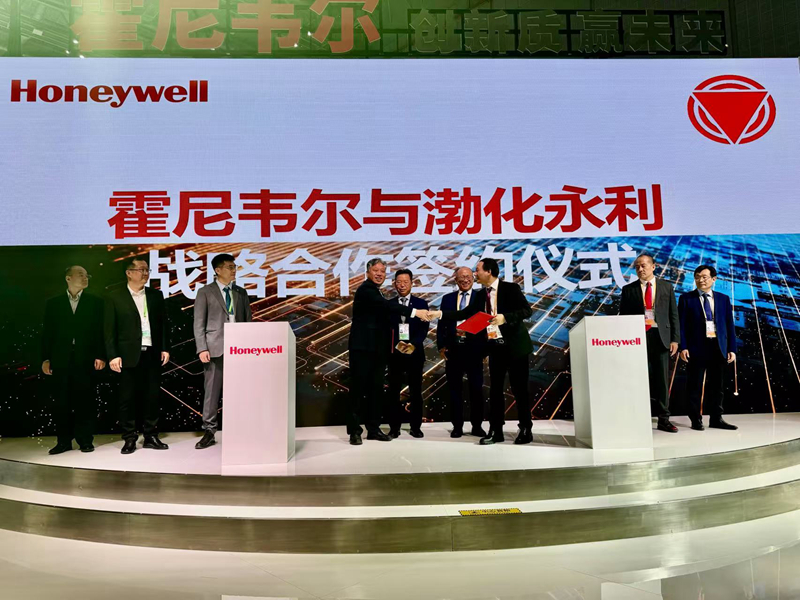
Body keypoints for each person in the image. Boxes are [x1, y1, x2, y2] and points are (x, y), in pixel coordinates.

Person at [427, 258, 533, 445]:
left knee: (520, 390)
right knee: (496, 391)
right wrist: (440, 314)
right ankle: (496, 430)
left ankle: (526, 428)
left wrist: (505, 318)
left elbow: (526, 311)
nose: (475, 274)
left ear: (489, 271)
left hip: (516, 348)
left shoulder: (510, 289)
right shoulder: (481, 295)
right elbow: (465, 313)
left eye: (477, 270)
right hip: (495, 348)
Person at [347, 258, 430, 445]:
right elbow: (386, 307)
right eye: (375, 270)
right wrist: (414, 312)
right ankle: (354, 431)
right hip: (362, 350)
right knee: (358, 391)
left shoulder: (378, 291)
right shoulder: (366, 290)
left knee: (375, 391)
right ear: (368, 272)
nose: (379, 274)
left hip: (378, 351)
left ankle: (373, 429)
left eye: (382, 271)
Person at [105, 258, 170, 454]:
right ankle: (129, 438)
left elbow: (163, 324)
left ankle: (151, 436)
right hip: (127, 355)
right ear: (129, 273)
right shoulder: (114, 296)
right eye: (141, 270)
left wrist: (165, 348)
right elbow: (108, 329)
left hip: (152, 352)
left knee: (152, 397)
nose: (145, 273)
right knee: (127, 398)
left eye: (147, 270)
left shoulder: (155, 295)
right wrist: (112, 355)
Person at [41, 265, 106, 454]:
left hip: (86, 357)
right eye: (81, 275)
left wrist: (101, 355)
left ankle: (85, 440)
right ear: (68, 278)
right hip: (61, 358)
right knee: (62, 401)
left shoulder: (95, 302)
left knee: (85, 400)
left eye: (87, 275)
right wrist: (46, 358)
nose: (85, 278)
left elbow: (101, 331)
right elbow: (47, 333)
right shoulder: (54, 303)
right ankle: (63, 441)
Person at [193, 253, 253, 449]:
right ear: (218, 270)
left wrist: (250, 346)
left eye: (234, 267)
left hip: (239, 349)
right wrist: (202, 348)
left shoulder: (241, 293)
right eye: (230, 267)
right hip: (215, 348)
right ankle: (209, 431)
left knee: (240, 390)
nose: (234, 270)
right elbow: (199, 323)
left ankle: (239, 428)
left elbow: (248, 321)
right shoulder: (205, 292)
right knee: (212, 392)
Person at [619, 254, 680, 433]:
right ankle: (638, 417)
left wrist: (675, 339)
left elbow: (673, 314)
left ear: (654, 266)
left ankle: (664, 419)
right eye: (637, 266)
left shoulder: (666, 287)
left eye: (644, 265)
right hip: (637, 338)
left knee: (662, 381)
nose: (640, 269)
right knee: (637, 379)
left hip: (661, 337)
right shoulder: (628, 289)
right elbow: (624, 316)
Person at [678, 265, 738, 431]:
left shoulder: (723, 299)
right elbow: (681, 325)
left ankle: (716, 418)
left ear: (714, 279)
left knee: (717, 387)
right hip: (696, 347)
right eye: (697, 277)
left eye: (704, 277)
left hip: (718, 346)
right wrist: (683, 347)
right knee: (694, 385)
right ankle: (695, 419)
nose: (701, 280)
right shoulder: (686, 298)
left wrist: (731, 348)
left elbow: (729, 325)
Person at [436, 266, 487, 439]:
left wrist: (485, 350)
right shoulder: (448, 299)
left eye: (468, 276)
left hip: (475, 350)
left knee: (476, 390)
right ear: (455, 280)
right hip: (454, 350)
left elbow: (487, 323)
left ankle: (477, 426)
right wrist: (441, 346)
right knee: (454, 390)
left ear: (473, 278)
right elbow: (442, 324)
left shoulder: (481, 297)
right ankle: (457, 426)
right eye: (461, 277)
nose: (465, 280)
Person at [387, 269, 430, 438]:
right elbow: (386, 329)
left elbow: (424, 328)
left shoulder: (421, 303)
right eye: (399, 282)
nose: (402, 285)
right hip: (395, 355)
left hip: (415, 354)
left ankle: (415, 427)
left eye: (405, 282)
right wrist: (397, 345)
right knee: (393, 392)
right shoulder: (390, 304)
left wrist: (413, 344)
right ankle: (394, 428)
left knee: (416, 391)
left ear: (412, 283)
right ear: (394, 284)